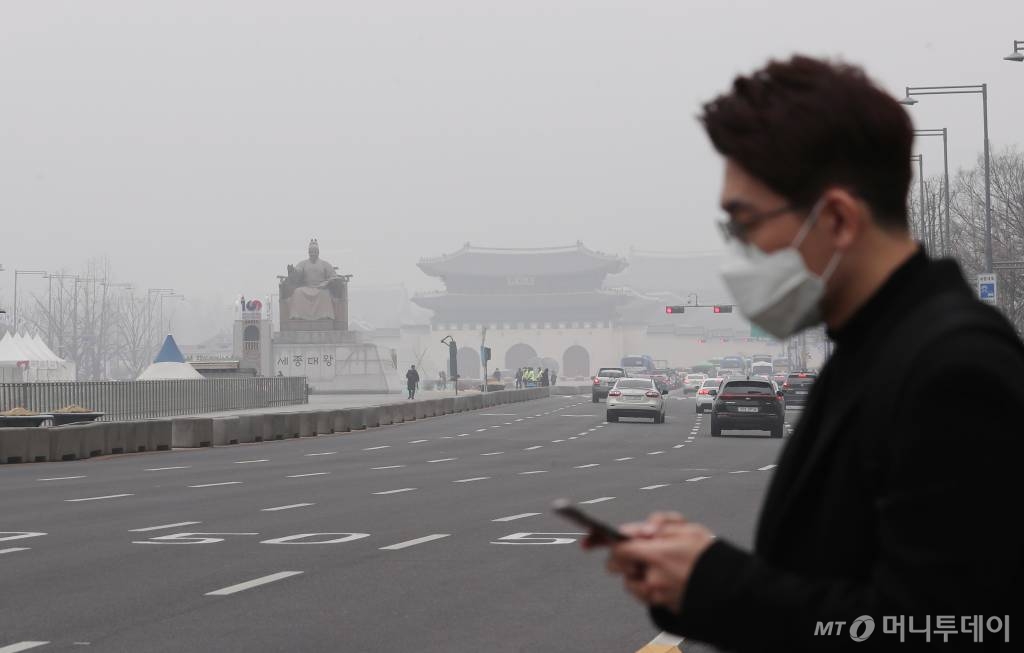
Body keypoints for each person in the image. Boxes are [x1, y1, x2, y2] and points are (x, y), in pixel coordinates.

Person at [597, 56, 1024, 651]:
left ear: (839, 220)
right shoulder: (872, 346)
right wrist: (691, 575)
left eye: (744, 224)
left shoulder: (953, 372)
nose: (737, 254)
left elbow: (942, 628)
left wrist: (716, 584)